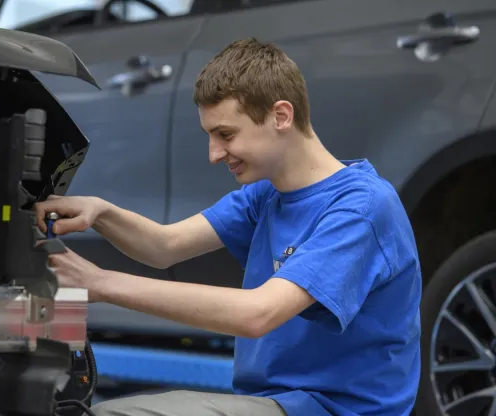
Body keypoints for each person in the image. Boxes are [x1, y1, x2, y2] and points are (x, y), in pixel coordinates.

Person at [35, 38, 422, 416]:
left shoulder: (361, 208)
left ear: (281, 116)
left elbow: (257, 314)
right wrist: (101, 213)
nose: (214, 154)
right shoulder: (266, 193)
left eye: (226, 135)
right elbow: (165, 246)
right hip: (273, 403)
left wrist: (100, 283)